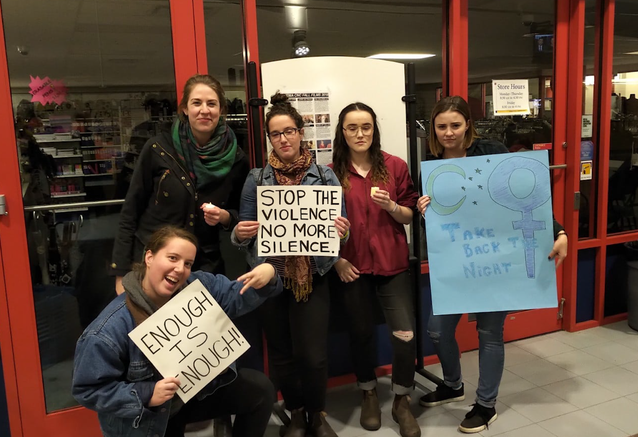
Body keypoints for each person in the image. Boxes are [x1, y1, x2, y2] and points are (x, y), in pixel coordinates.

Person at [416, 96, 568, 434]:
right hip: (457, 264)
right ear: (433, 130)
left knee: (489, 333)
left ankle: (486, 405)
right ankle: (453, 385)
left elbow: (526, 196)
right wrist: (423, 211)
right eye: (441, 126)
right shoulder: (431, 166)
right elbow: (436, 223)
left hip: (496, 261)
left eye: (456, 125)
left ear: (468, 124)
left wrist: (559, 231)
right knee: (437, 329)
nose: (449, 133)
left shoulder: (491, 152)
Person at [72, 226, 281, 437]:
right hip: (149, 417)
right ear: (149, 257)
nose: (180, 269)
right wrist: (148, 394)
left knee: (260, 390)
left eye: (188, 263)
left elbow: (237, 296)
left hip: (192, 395)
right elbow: (88, 390)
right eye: (172, 258)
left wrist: (268, 274)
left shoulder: (198, 286)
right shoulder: (108, 328)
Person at [231, 93, 351, 437]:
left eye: (289, 131)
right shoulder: (257, 179)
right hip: (270, 279)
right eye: (275, 134)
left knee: (313, 355)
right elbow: (242, 234)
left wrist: (342, 231)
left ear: (301, 133)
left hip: (314, 275)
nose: (283, 139)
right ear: (269, 138)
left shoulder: (325, 178)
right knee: (281, 352)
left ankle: (317, 414)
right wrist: (240, 233)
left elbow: (342, 233)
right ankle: (296, 412)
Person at [329, 103, 421, 437]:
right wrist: (336, 260)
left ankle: (401, 400)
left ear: (374, 130)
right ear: (342, 132)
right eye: (352, 128)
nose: (360, 134)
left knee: (405, 333)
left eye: (365, 127)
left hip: (391, 264)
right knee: (360, 333)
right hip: (351, 267)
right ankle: (368, 392)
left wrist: (393, 206)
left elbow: (409, 215)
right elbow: (319, 227)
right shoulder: (330, 173)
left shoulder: (395, 166)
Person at [112, 74, 250, 293]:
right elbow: (130, 212)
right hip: (155, 264)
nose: (204, 110)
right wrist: (121, 272)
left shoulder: (236, 159)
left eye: (211, 103)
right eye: (196, 103)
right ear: (185, 108)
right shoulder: (158, 149)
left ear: (222, 110)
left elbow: (240, 214)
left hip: (203, 266)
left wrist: (225, 217)